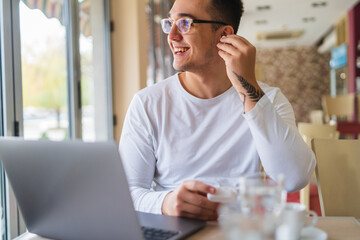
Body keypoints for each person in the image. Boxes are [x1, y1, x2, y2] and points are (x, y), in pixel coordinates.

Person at [119, 0, 316, 221]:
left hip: (243, 232)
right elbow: (126, 194)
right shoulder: (147, 104)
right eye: (170, 22)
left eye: (184, 23)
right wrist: (167, 203)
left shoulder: (268, 100)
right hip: (175, 230)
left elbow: (294, 178)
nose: (172, 35)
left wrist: (246, 85)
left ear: (224, 35)